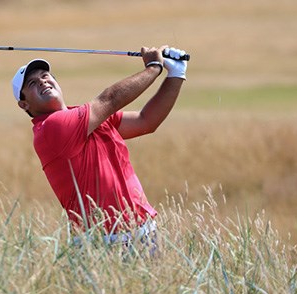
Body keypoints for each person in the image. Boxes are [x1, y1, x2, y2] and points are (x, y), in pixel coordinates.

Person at [11, 45, 187, 243]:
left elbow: (146, 121)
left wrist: (176, 74)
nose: (43, 81)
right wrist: (153, 68)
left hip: (143, 230)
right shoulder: (50, 128)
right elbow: (109, 99)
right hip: (102, 241)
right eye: (33, 83)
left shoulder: (86, 119)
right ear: (24, 104)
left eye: (45, 75)